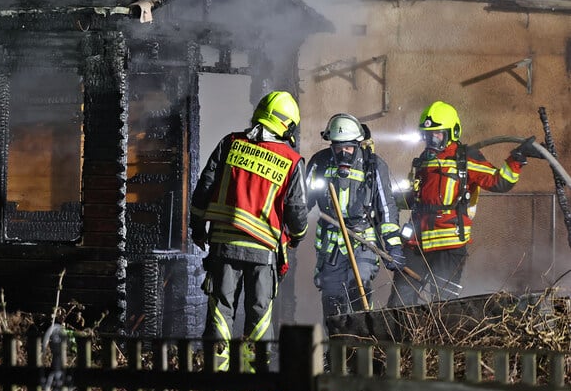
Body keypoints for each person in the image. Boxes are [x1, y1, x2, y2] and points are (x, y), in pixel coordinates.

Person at [189, 90, 308, 372]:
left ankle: (215, 373)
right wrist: (298, 237)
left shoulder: (231, 144)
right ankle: (255, 376)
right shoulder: (291, 160)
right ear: (287, 125)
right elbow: (297, 210)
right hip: (263, 251)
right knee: (260, 314)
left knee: (221, 310)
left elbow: (204, 187)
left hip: (223, 243)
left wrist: (197, 226)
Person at [387, 100, 538, 307]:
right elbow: (416, 198)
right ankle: (397, 338)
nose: (431, 139)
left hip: (449, 245)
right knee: (400, 301)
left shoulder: (466, 158)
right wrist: (387, 201)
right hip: (417, 244)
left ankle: (435, 340)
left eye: (437, 134)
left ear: (452, 132)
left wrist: (517, 159)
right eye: (428, 134)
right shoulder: (423, 160)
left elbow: (499, 182)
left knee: (443, 305)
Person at [305, 113, 404, 322]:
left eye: (348, 148)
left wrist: (393, 245)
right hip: (330, 247)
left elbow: (386, 208)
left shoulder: (374, 166)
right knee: (332, 301)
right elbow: (302, 202)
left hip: (362, 243)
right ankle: (336, 350)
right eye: (338, 148)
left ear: (358, 144)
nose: (343, 153)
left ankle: (362, 346)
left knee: (357, 290)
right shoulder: (320, 163)